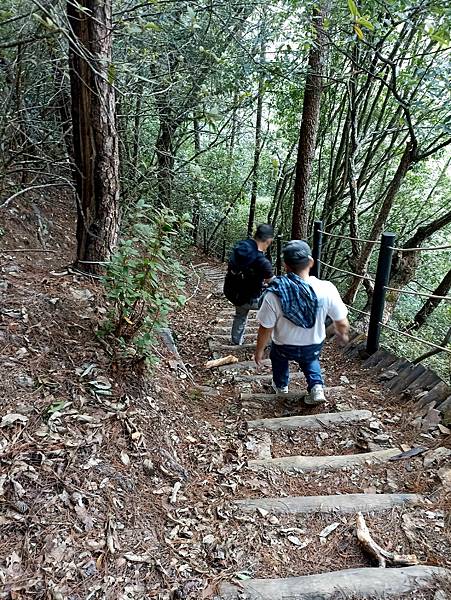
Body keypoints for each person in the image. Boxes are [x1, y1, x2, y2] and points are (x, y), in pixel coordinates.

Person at [254, 239, 349, 405]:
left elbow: (265, 328)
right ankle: (316, 387)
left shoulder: (275, 292)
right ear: (311, 262)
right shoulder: (327, 288)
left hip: (284, 346)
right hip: (313, 344)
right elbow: (341, 321)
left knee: (278, 359)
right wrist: (343, 333)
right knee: (311, 361)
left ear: (286, 265)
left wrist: (259, 351)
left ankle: (281, 387)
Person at [224, 224, 274, 345]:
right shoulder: (262, 262)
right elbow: (272, 281)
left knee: (240, 315)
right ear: (269, 240)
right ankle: (271, 342)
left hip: (233, 292)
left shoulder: (241, 247)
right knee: (276, 308)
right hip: (251, 299)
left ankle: (236, 341)